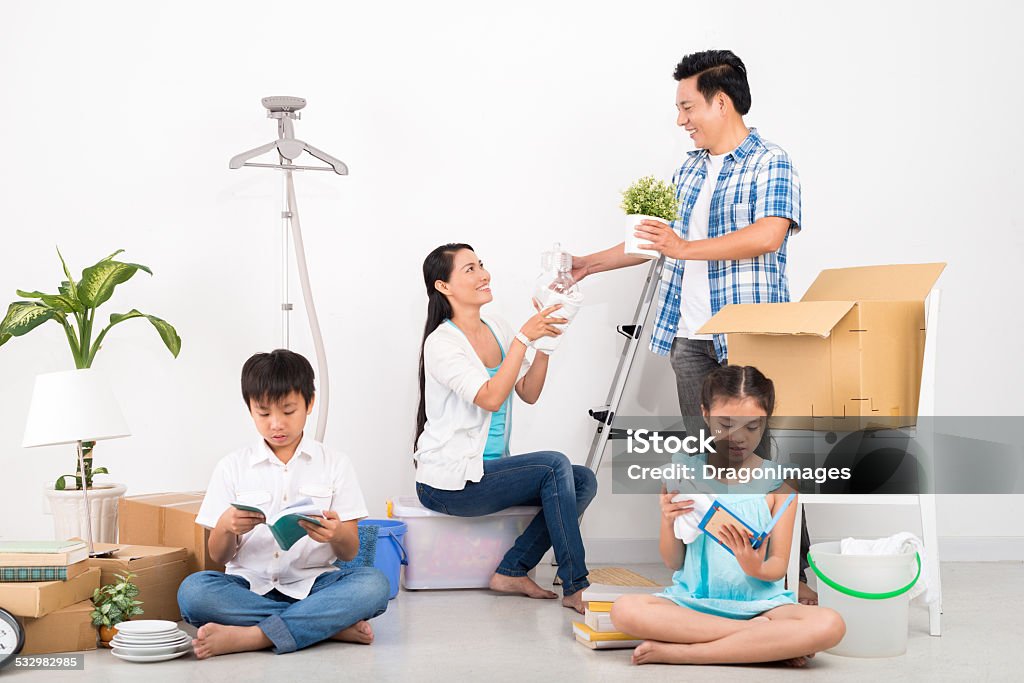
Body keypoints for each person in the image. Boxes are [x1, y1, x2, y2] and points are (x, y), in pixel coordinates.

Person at [572, 49, 816, 602]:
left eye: (687, 106)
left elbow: (768, 235)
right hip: (690, 337)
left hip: (748, 335)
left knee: (765, 462)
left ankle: (792, 577)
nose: (680, 119)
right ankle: (714, 576)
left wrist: (686, 247)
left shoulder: (770, 161)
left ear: (720, 101)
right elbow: (654, 240)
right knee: (708, 459)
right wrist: (588, 263)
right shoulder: (689, 168)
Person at [610, 366, 845, 666]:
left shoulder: (781, 486)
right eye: (726, 424)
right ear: (705, 414)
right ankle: (760, 641)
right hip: (694, 602)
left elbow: (777, 567)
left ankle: (685, 653)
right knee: (624, 610)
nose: (739, 438)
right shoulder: (683, 475)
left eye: (752, 426)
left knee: (831, 624)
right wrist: (668, 521)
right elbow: (673, 562)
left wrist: (754, 566)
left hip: (763, 606)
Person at [414, 243, 598, 613]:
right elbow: (491, 398)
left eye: (481, 265)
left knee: (582, 480)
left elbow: (527, 393)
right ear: (443, 286)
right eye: (469, 269)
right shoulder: (442, 343)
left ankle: (512, 569)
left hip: (490, 471)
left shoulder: (496, 327)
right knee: (553, 463)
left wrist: (546, 343)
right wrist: (524, 338)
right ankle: (576, 585)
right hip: (450, 483)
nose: (484, 274)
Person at [177, 350, 390, 658]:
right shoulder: (232, 466)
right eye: (263, 413)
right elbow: (217, 555)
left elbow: (350, 551)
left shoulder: (335, 464)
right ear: (249, 408)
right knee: (193, 593)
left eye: (288, 411)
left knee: (373, 585)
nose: (276, 424)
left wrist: (335, 534)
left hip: (316, 584)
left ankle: (252, 637)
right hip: (248, 586)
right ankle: (326, 624)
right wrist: (226, 526)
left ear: (310, 403)